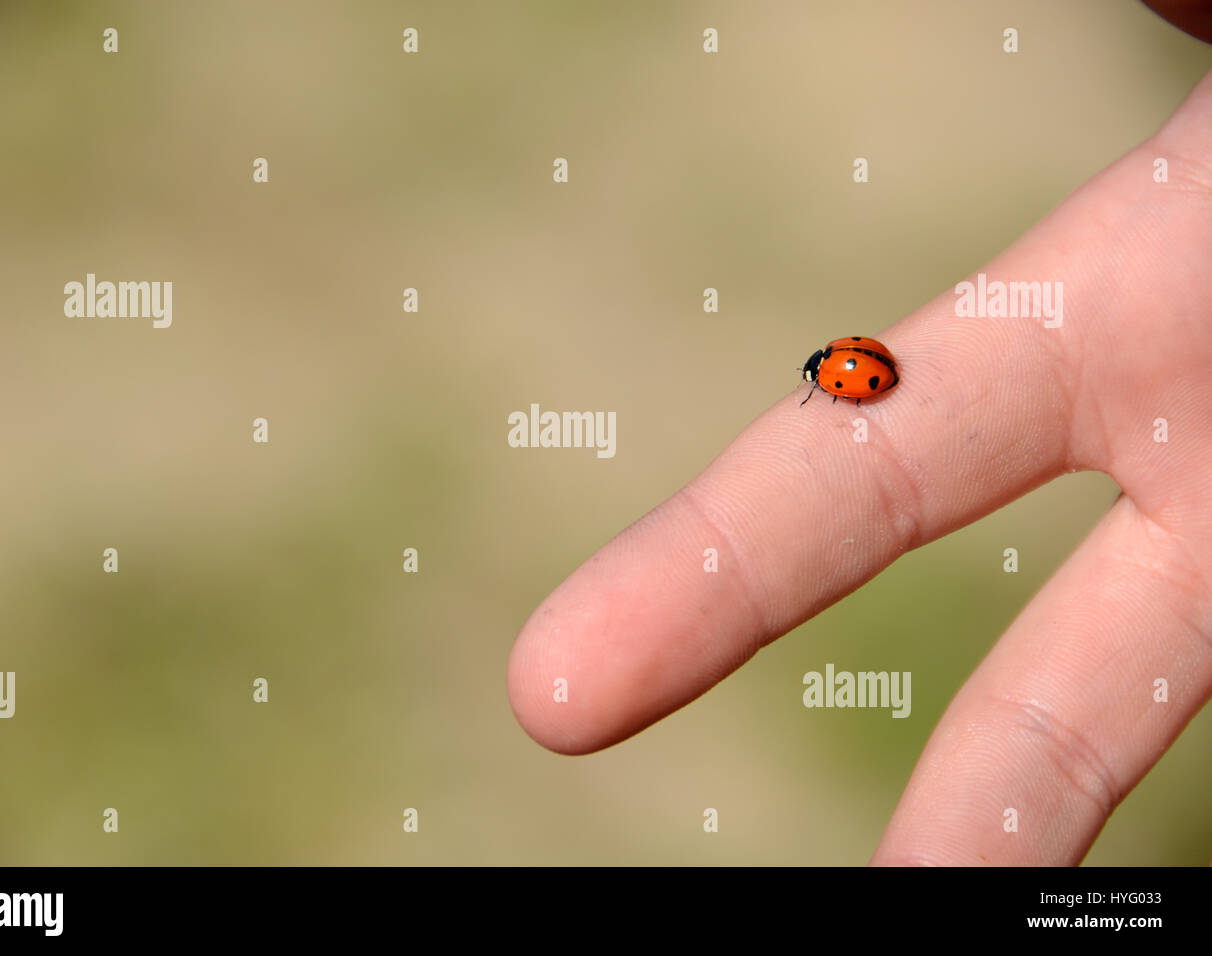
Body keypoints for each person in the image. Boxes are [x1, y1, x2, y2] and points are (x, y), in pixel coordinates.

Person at [507, 31, 1212, 864]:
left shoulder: (843, 374)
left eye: (826, 376)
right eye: (828, 376)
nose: (826, 379)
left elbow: (862, 374)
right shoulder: (848, 367)